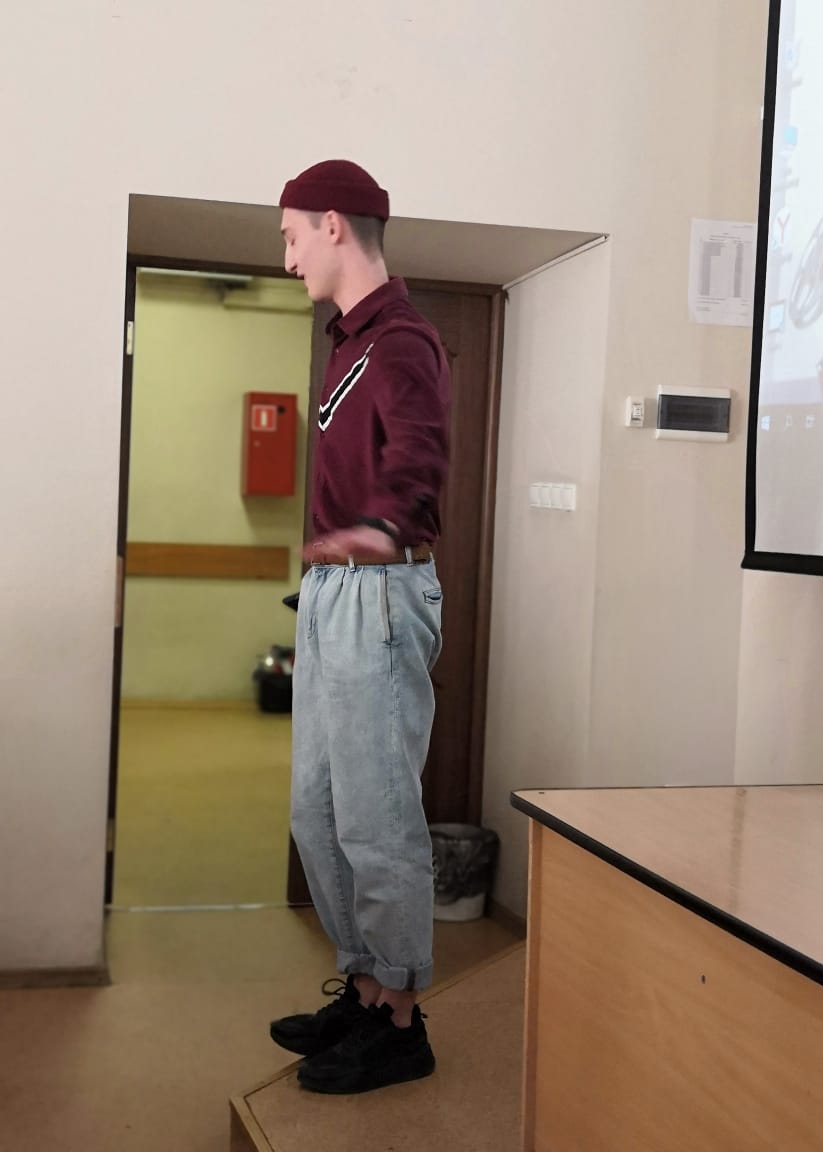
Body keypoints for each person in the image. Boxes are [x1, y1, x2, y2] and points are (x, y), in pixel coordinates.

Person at [269, 160, 450, 1095]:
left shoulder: (403, 340)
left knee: (378, 820)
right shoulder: (348, 344)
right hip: (335, 595)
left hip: (378, 592)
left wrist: (379, 527)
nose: (288, 257)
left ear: (333, 225)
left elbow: (420, 454)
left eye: (292, 236)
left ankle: (401, 1023)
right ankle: (368, 987)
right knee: (319, 811)